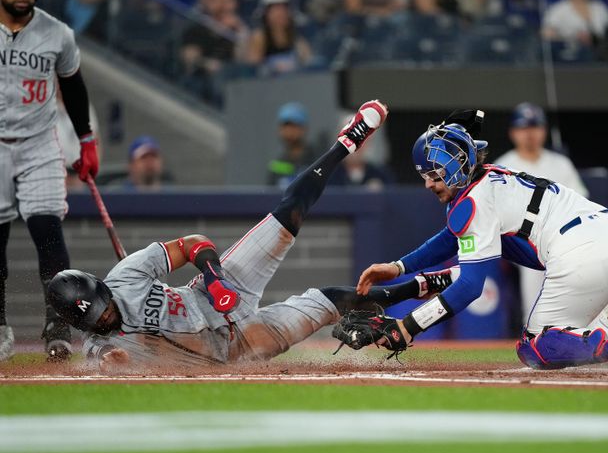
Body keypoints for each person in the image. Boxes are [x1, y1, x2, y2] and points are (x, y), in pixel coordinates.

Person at [352, 108, 608, 369]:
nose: (429, 183)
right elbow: (453, 238)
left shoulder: (471, 203)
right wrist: (403, 267)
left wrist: (408, 326)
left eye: (434, 174)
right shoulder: (496, 178)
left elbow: (469, 286)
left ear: (457, 167)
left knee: (536, 348)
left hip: (582, 255)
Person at [45, 100, 399, 370]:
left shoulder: (125, 276)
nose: (106, 318)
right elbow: (110, 361)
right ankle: (421, 288)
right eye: (98, 320)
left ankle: (347, 141)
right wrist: (116, 358)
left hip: (218, 292)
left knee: (288, 213)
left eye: (104, 308)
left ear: (101, 289)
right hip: (238, 348)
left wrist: (215, 282)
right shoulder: (96, 346)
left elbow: (192, 243)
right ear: (81, 325)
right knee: (331, 301)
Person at [0, 0, 100, 362]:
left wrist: (86, 141)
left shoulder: (58, 34)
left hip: (40, 143)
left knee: (47, 231)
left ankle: (57, 328)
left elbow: (73, 88)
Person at [493, 102, 587, 324]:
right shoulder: (504, 166)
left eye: (535, 127)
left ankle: (583, 329)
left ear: (543, 130)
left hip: (562, 237)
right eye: (523, 128)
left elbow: (581, 203)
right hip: (522, 240)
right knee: (534, 270)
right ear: (513, 132)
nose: (530, 134)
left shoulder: (561, 164)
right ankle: (534, 330)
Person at [180, 0, 249, 103]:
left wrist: (239, 30)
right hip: (202, 78)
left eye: (227, 0)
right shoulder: (196, 29)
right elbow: (190, 58)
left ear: (235, 4)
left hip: (232, 79)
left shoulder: (239, 30)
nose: (222, 5)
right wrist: (207, 63)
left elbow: (245, 59)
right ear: (209, 3)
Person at [246, 0, 312, 76]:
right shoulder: (259, 38)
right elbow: (252, 68)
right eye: (276, 9)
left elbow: (309, 62)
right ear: (266, 14)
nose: (281, 13)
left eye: (284, 9)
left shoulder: (297, 40)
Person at [267, 102, 318, 188]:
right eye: (285, 126)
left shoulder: (318, 159)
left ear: (304, 128)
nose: (289, 131)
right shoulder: (277, 165)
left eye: (294, 126)